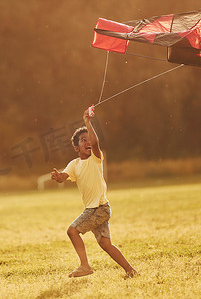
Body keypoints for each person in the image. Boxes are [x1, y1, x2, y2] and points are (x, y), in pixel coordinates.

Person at [51, 107, 138, 278]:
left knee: (72, 231)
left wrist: (87, 123)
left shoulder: (96, 158)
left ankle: (85, 266)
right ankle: (131, 271)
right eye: (83, 140)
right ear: (76, 147)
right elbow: (63, 177)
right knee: (106, 244)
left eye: (88, 138)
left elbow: (96, 143)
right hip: (98, 209)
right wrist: (58, 176)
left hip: (98, 208)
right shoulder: (74, 164)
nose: (87, 141)